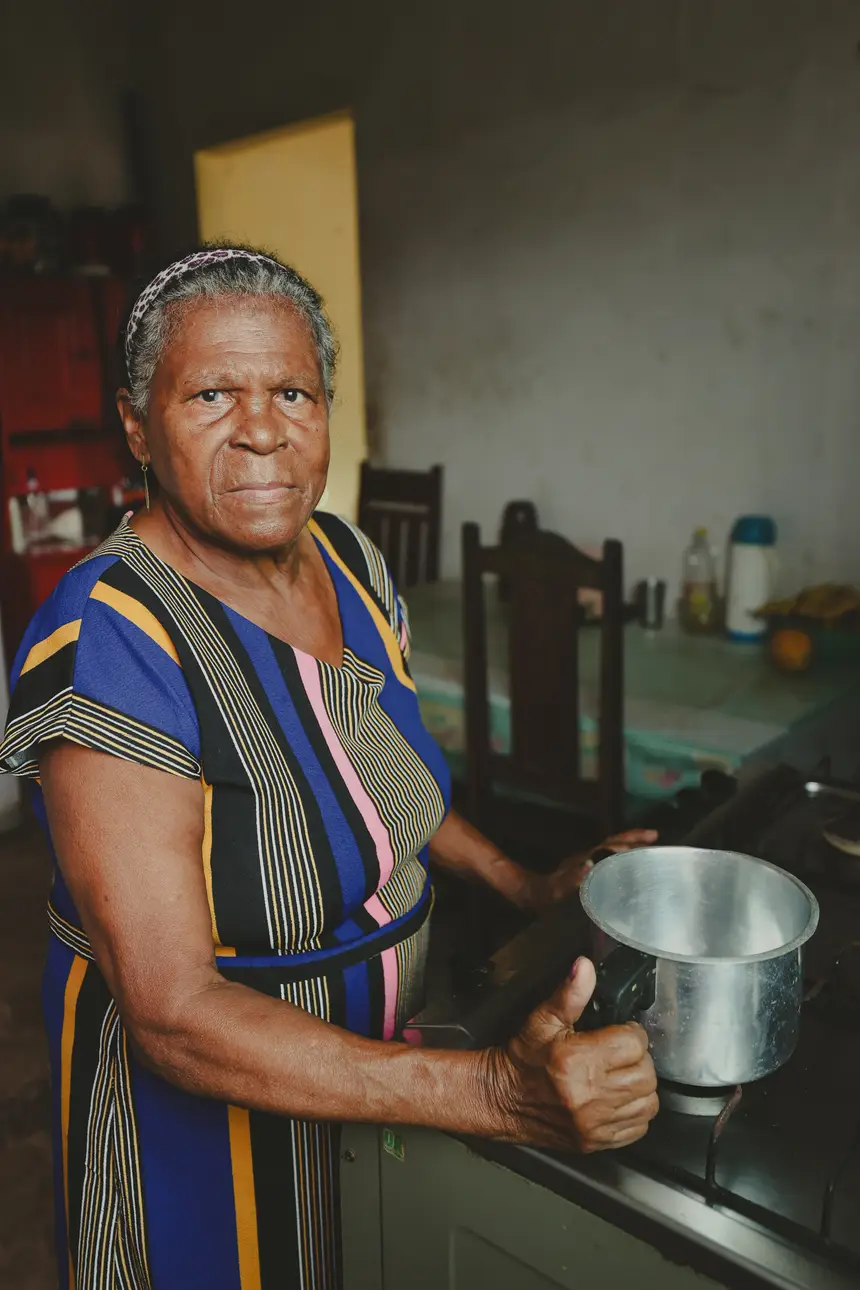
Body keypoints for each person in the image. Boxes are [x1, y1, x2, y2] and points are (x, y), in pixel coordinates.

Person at [0, 245, 658, 1290]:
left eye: (291, 392)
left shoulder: (347, 559)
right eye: (211, 392)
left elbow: (378, 774)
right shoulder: (113, 639)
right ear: (137, 427)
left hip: (379, 1094)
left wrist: (525, 885)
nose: (261, 429)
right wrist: (493, 1094)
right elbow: (172, 1013)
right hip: (207, 1152)